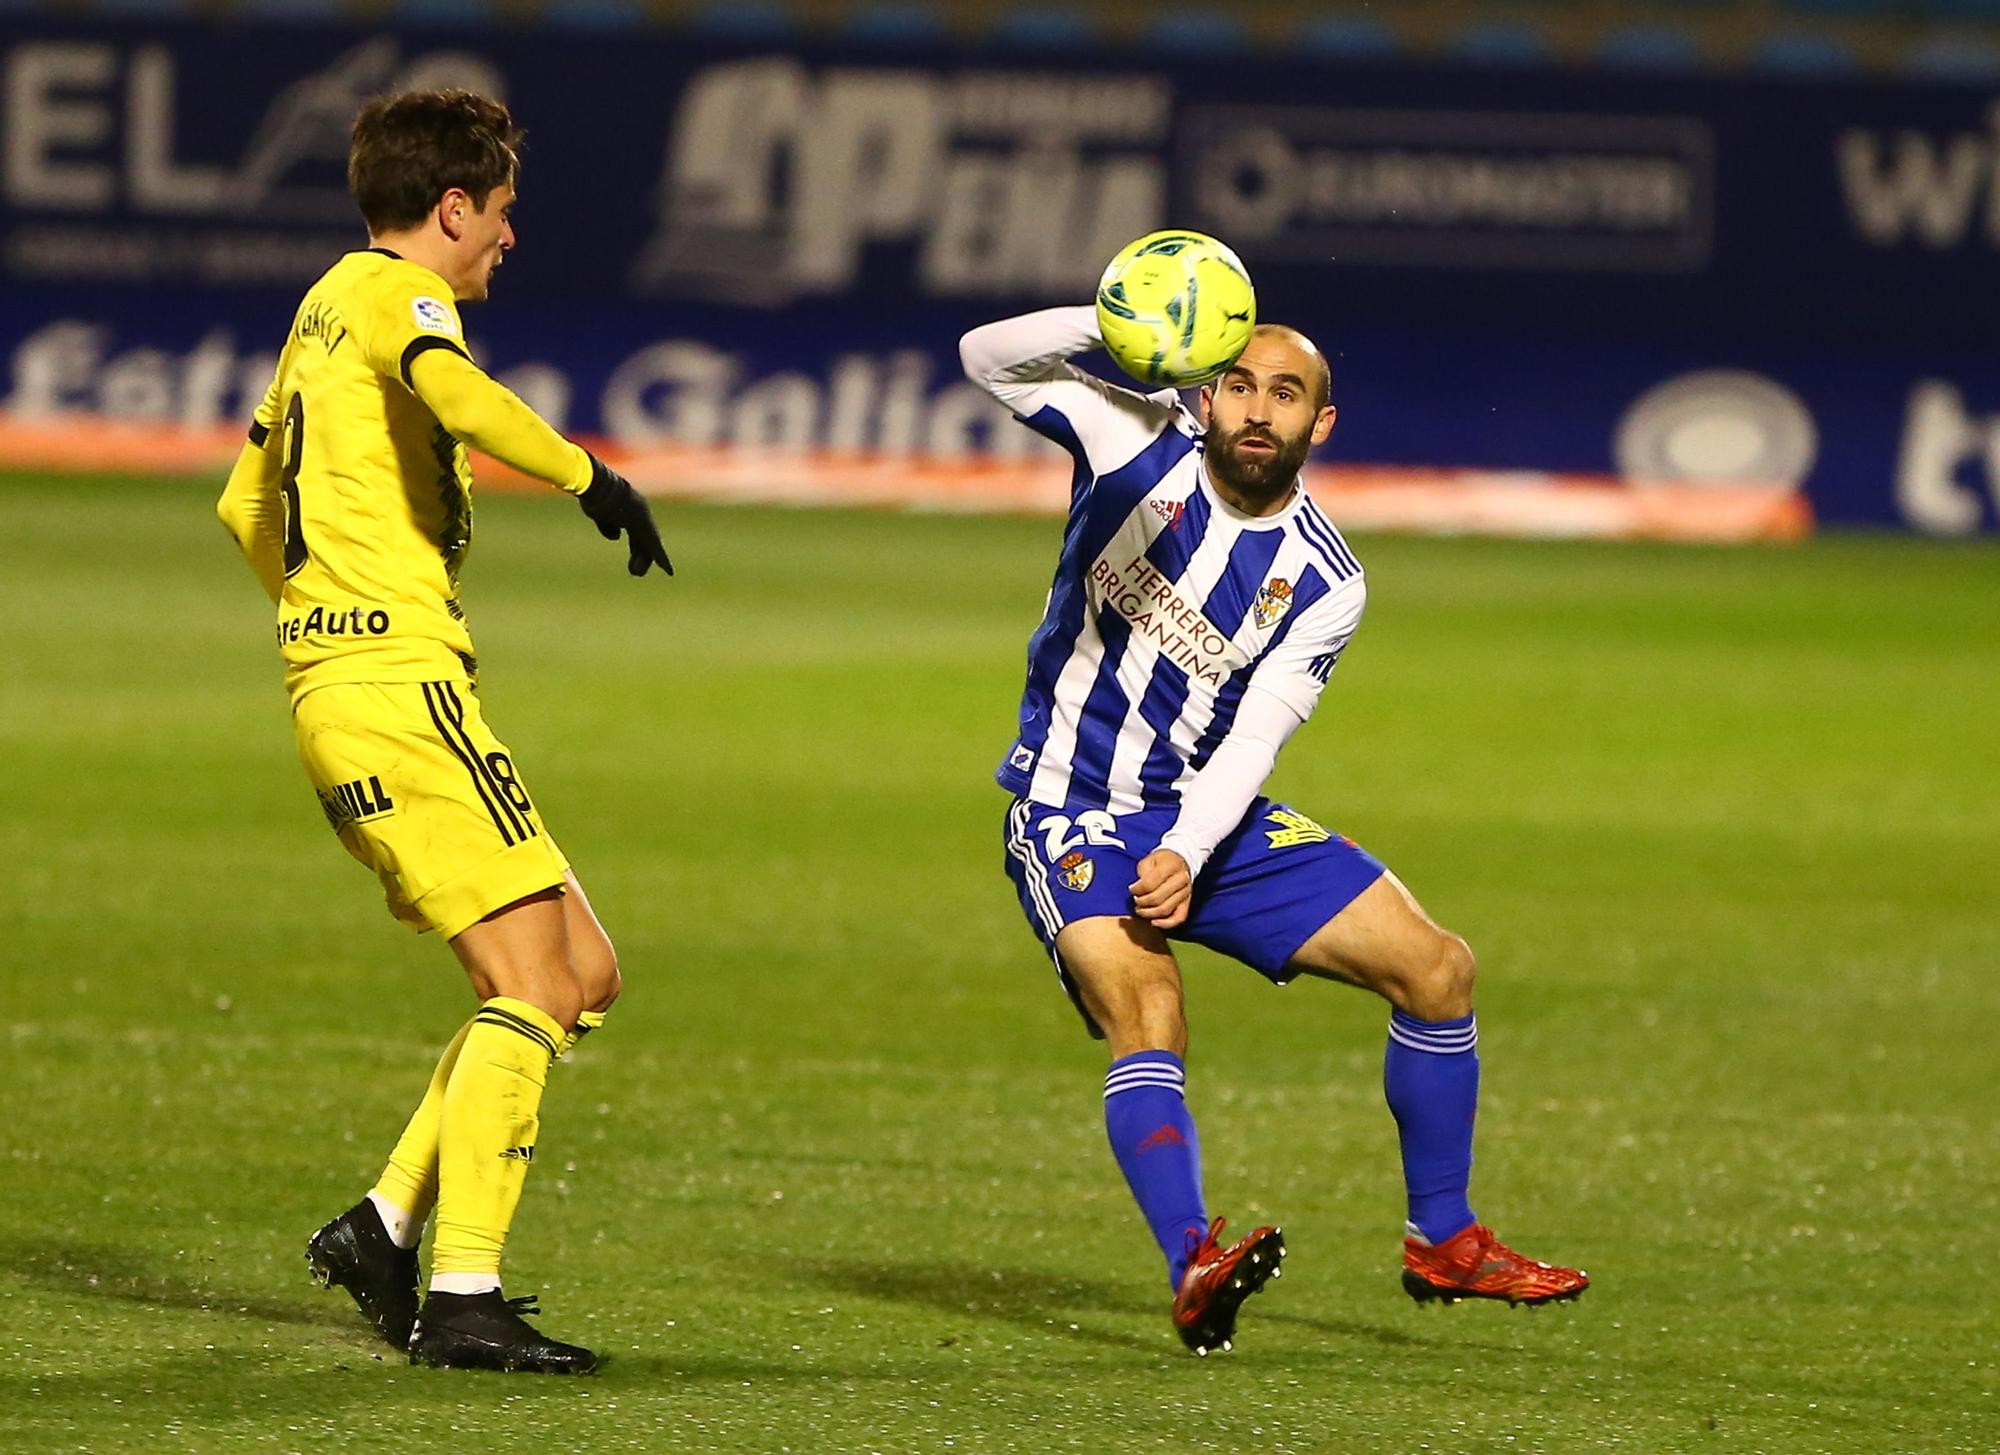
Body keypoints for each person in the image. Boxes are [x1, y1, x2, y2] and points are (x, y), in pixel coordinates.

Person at [960, 305, 1588, 1356]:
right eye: (1239, 386)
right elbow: (984, 356)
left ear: (1320, 424)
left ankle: (1443, 1239)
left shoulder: (1326, 578)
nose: (1256, 411)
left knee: (1436, 970)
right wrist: (1121, 311)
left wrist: (1187, 851)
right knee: (1149, 1009)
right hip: (1070, 805)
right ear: (1206, 391)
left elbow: (1255, 739)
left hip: (1206, 817)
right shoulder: (1131, 440)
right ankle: (1191, 1265)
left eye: (1284, 395)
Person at [215, 90, 671, 1375]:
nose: (509, 240)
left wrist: (320, 628)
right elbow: (451, 389)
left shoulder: (318, 316)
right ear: (454, 207)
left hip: (370, 688)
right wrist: (593, 477)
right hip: (395, 692)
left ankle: (382, 1225)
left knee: (579, 972)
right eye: (504, 213)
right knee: (531, 987)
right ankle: (463, 1295)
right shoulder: (391, 296)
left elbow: (246, 505)